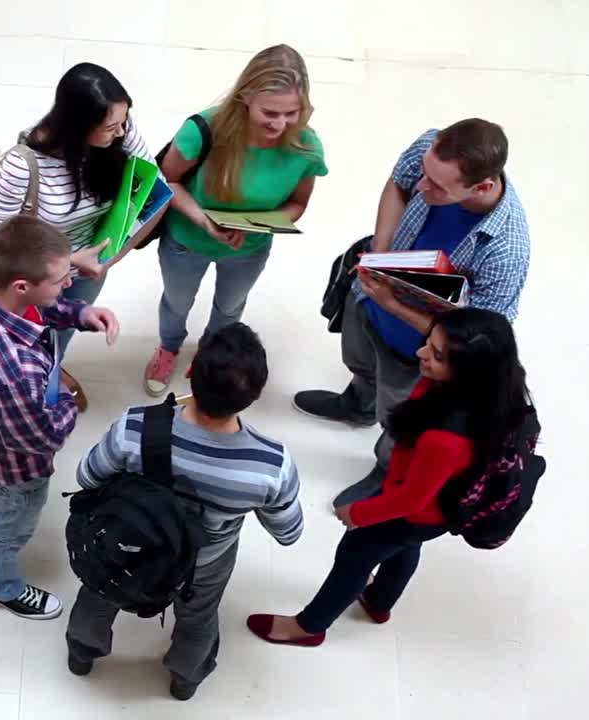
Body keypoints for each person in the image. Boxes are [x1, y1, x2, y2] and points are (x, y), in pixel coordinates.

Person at [249, 308, 531, 646]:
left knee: (354, 558)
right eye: (430, 342)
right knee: (404, 547)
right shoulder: (495, 390)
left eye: (437, 355)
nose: (421, 353)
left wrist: (358, 513)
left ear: (466, 372)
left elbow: (411, 500)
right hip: (435, 511)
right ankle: (379, 602)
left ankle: (309, 626)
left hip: (413, 509)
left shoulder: (445, 438)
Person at [293, 119, 530, 506]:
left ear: (482, 187)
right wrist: (381, 257)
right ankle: (356, 405)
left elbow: (475, 337)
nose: (423, 186)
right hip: (369, 297)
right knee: (361, 363)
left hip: (415, 349)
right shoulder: (432, 151)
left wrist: (392, 303)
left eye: (437, 187)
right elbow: (398, 184)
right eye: (426, 174)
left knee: (399, 418)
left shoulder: (506, 250)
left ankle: (387, 469)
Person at [65, 322, 303, 701]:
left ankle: (82, 652)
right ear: (254, 395)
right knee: (198, 619)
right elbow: (289, 533)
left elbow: (86, 475)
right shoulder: (270, 465)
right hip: (202, 563)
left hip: (125, 547)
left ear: (193, 370)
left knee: (99, 594)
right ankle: (184, 679)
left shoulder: (136, 426)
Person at [0, 215, 120, 620]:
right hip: (13, 463)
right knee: (8, 520)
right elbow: (40, 438)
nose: (69, 283)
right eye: (62, 280)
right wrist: (66, 398)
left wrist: (78, 314)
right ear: (23, 286)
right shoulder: (15, 375)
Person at [144, 44, 327, 396]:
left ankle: (212, 352)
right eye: (270, 112)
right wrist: (202, 220)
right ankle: (169, 346)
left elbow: (298, 204)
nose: (281, 123)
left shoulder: (307, 146)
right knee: (177, 301)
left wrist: (254, 226)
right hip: (186, 239)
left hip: (250, 247)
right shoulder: (202, 130)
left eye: (292, 112)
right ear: (245, 97)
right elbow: (169, 181)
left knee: (230, 307)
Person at [0, 62, 159, 411]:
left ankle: (52, 367)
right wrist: (67, 263)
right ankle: (29, 397)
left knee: (61, 333)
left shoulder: (121, 132)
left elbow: (154, 192)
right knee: (26, 341)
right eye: (110, 127)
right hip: (35, 274)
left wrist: (108, 259)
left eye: (123, 121)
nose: (122, 132)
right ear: (79, 126)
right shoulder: (24, 166)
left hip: (90, 267)